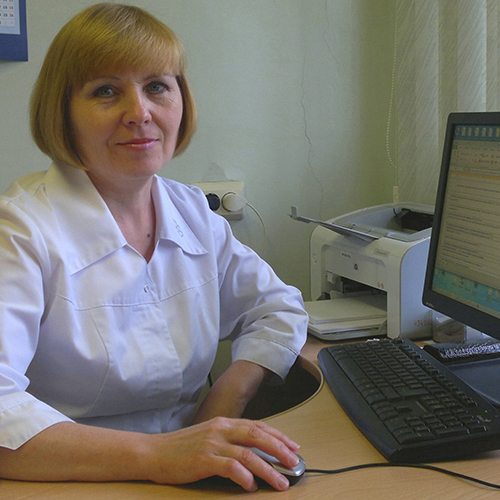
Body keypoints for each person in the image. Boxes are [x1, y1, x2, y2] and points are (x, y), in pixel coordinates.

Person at [0, 2, 308, 493]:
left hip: (191, 474)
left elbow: (278, 307)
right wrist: (159, 455)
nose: (139, 113)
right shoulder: (19, 230)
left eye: (157, 87)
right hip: (67, 480)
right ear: (63, 112)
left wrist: (221, 406)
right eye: (106, 91)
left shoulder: (191, 212)